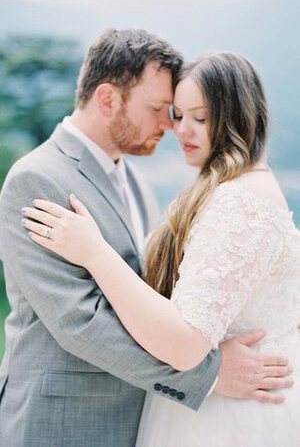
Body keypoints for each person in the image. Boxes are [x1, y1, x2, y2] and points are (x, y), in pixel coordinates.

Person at [0, 28, 292, 446]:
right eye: (160, 109)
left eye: (191, 115)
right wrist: (207, 374)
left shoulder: (131, 178)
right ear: (107, 99)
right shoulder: (38, 179)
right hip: (65, 422)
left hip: (143, 418)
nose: (170, 127)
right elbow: (80, 321)